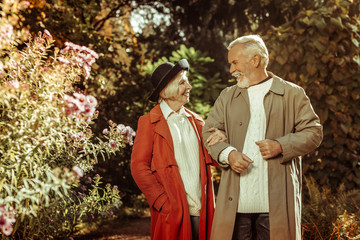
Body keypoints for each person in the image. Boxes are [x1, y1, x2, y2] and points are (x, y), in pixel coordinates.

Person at [202, 35, 323, 240]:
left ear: (255, 60)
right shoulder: (227, 96)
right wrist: (229, 154)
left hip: (275, 206)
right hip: (236, 207)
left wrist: (280, 145)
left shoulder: (292, 93)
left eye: (235, 62)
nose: (231, 70)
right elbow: (209, 131)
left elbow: (314, 132)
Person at [131, 59, 226, 240]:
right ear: (167, 89)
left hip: (203, 211)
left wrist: (222, 137)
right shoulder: (149, 122)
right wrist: (164, 203)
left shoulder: (197, 121)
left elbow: (214, 156)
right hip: (172, 213)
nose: (189, 86)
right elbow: (139, 167)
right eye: (182, 82)